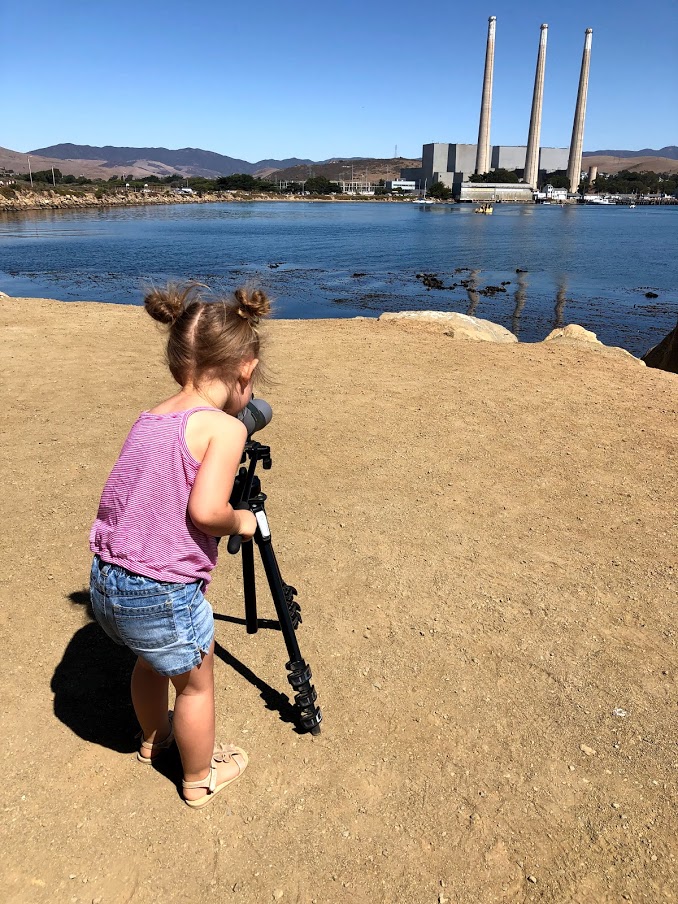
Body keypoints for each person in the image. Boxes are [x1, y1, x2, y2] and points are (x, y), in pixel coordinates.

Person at [89, 281, 271, 808]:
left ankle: (153, 739)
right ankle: (198, 778)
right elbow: (206, 513)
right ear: (245, 371)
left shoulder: (152, 415)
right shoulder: (224, 429)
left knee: (148, 663)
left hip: (107, 579)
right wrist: (243, 521)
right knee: (194, 684)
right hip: (161, 591)